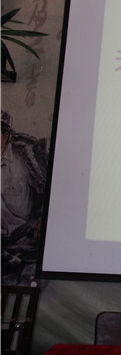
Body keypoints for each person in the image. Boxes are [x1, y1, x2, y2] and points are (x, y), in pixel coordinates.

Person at [1, 109, 48, 285]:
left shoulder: (25, 156)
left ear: (6, 135)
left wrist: (44, 217)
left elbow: (49, 190)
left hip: (24, 238)